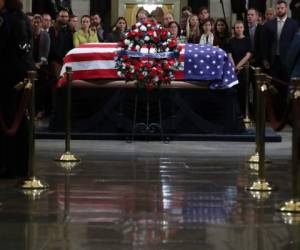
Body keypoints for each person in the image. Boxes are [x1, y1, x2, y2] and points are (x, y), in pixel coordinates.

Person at [0, 0, 35, 178]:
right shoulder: (23, 19)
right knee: (19, 121)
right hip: (22, 73)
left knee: (10, 119)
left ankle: (10, 165)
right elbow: (25, 47)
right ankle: (20, 165)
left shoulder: (7, 20)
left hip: (9, 76)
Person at [228, 21, 252, 117]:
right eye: (237, 27)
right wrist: (234, 66)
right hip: (233, 69)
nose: (239, 29)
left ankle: (243, 113)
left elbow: (248, 55)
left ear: (243, 29)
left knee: (243, 91)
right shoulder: (231, 41)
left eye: (240, 27)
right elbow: (229, 53)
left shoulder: (247, 40)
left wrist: (239, 66)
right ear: (234, 29)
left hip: (243, 69)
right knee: (233, 91)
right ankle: (234, 112)